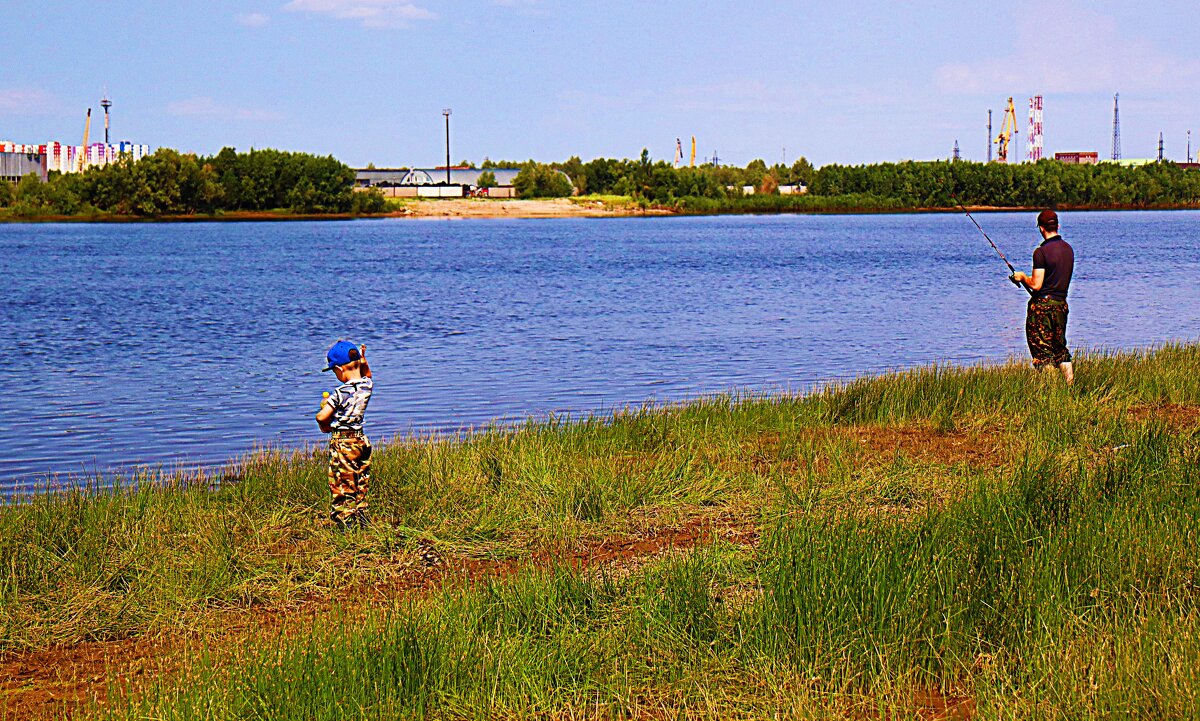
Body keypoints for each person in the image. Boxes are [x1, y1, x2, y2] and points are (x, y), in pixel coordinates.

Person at [1011, 209, 1075, 384]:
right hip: (1061, 305)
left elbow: (1036, 284)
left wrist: (1022, 277)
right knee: (1060, 349)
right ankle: (1070, 387)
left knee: (1042, 352)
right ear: (1058, 226)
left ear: (1041, 228)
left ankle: (1052, 390)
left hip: (1042, 308)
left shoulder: (1040, 252)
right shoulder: (1068, 249)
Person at [316, 340, 374, 529]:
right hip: (361, 439)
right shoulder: (367, 386)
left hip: (343, 442)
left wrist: (324, 424)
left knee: (342, 482)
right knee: (360, 478)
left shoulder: (340, 393)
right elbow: (367, 374)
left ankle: (344, 522)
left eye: (335, 372)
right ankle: (361, 515)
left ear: (340, 369)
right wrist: (364, 361)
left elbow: (322, 416)